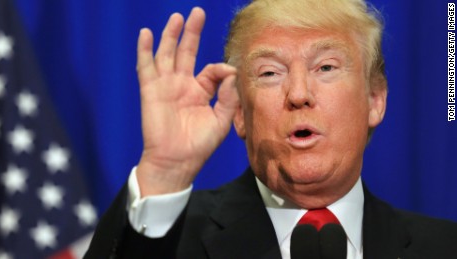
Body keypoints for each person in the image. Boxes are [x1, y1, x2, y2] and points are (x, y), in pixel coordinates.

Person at [85, 0, 457, 258]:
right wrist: (164, 173)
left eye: (325, 67)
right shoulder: (174, 241)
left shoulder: (445, 247)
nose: (298, 94)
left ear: (375, 99)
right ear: (241, 113)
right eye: (269, 73)